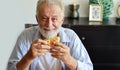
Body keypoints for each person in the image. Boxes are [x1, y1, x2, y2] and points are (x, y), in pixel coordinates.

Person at [7, 0, 93, 70]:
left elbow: (89, 68)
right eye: (44, 18)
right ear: (37, 19)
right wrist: (28, 57)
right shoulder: (25, 36)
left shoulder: (71, 36)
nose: (49, 25)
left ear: (62, 20)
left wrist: (69, 59)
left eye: (54, 19)